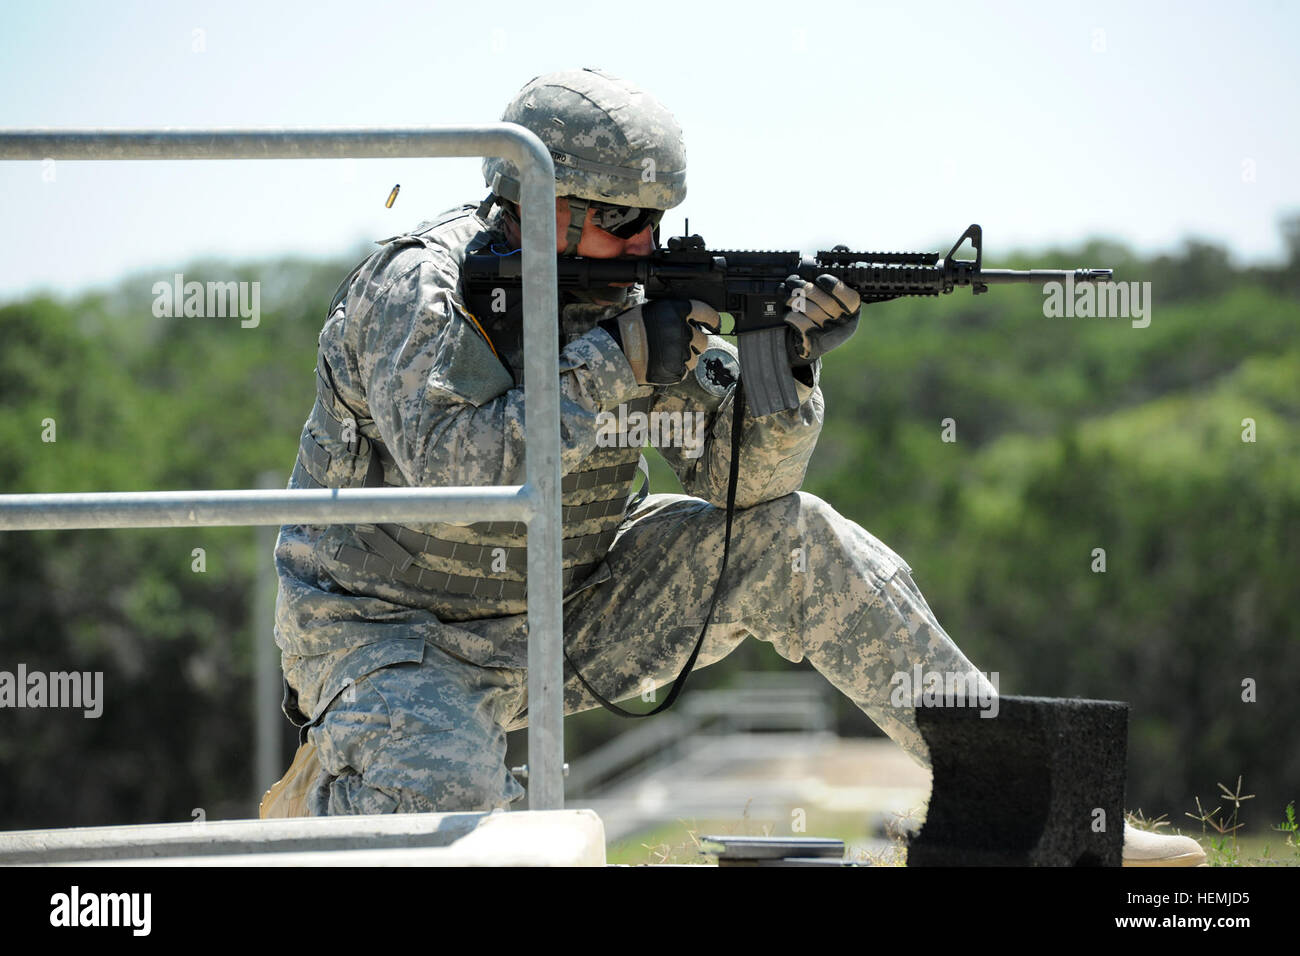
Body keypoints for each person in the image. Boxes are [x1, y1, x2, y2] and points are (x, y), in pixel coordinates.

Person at [267, 68, 1202, 866]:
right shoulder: (420, 289)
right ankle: (330, 796)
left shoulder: (638, 296)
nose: (645, 249)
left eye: (655, 222)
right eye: (620, 222)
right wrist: (619, 360)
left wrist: (785, 367)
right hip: (387, 633)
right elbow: (462, 472)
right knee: (455, 811)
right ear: (546, 211)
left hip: (568, 605)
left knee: (797, 543)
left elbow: (740, 490)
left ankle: (1041, 806)